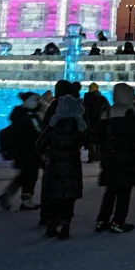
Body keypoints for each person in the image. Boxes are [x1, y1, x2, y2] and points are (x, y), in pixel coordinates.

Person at [95, 83, 135, 233]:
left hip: (109, 157)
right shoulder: (130, 112)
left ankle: (102, 220)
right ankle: (118, 221)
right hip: (127, 157)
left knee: (110, 190)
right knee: (124, 191)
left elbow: (98, 133)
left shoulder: (108, 112)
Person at [37, 94, 86, 239]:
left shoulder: (52, 126)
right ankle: (65, 228)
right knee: (68, 199)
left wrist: (47, 153)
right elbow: (89, 140)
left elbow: (39, 145)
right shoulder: (78, 126)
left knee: (53, 197)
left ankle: (51, 227)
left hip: (54, 167)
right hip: (72, 167)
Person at [0, 92, 43, 211]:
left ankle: (8, 196)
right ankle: (25, 199)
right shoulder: (30, 115)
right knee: (30, 175)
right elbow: (38, 131)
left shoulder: (18, 113)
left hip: (19, 150)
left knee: (24, 175)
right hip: (30, 150)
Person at [82, 82, 110, 163]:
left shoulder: (85, 99)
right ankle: (98, 155)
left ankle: (91, 155)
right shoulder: (102, 99)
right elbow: (107, 109)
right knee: (99, 139)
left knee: (90, 139)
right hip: (100, 121)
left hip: (88, 122)